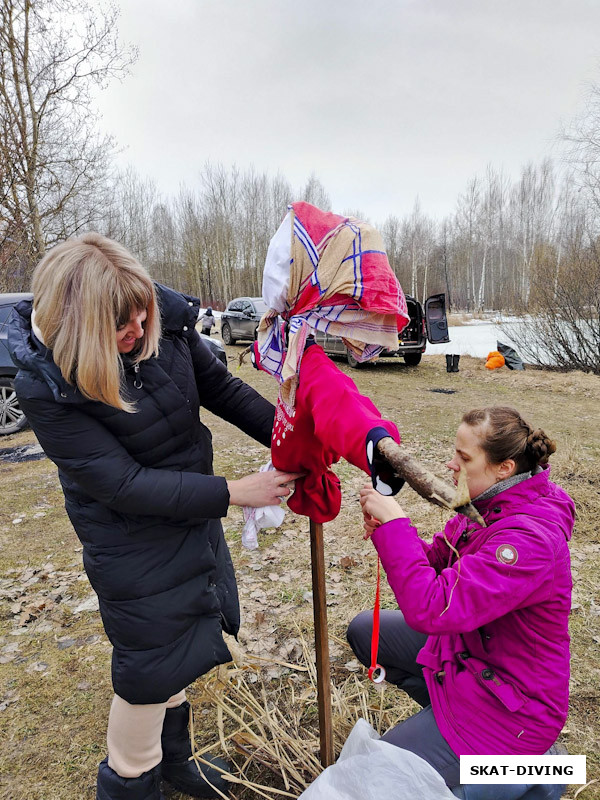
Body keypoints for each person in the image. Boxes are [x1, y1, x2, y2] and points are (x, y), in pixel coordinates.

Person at [8, 233, 301, 800]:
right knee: (147, 667)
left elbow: (220, 387)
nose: (140, 334)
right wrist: (236, 491)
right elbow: (121, 484)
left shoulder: (160, 323)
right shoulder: (46, 385)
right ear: (81, 327)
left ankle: (174, 765)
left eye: (143, 319)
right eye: (123, 328)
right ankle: (129, 781)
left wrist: (289, 440)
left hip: (189, 513)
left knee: (183, 644)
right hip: (130, 537)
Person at [348, 407, 574, 800]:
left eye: (464, 458)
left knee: (380, 779)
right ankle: (447, 726)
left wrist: (397, 523)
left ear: (504, 467)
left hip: (513, 706)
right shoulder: (487, 504)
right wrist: (391, 533)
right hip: (473, 656)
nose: (451, 465)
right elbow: (438, 561)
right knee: (367, 633)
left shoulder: (529, 539)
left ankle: (532, 771)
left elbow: (432, 606)